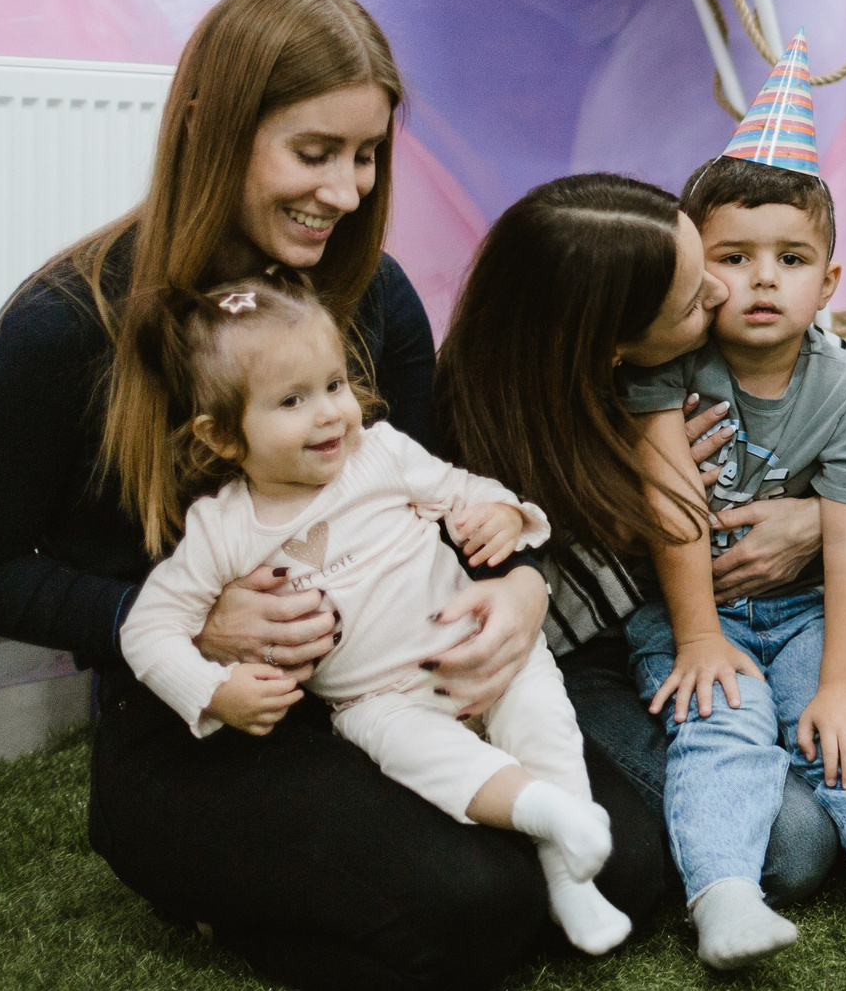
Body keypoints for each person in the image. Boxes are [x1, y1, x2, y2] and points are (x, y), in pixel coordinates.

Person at [0, 0, 661, 991]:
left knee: (632, 863)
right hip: (207, 725)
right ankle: (204, 893)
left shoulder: (374, 295)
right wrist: (187, 623)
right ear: (209, 128)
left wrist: (522, 586)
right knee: (476, 907)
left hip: (388, 678)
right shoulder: (58, 328)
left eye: (365, 156)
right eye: (315, 153)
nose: (347, 191)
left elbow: (439, 493)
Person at [429, 172, 846, 909]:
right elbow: (545, 577)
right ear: (616, 345)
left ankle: (834, 795)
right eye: (697, 287)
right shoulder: (491, 427)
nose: (726, 288)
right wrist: (632, 505)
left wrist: (816, 515)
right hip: (604, 650)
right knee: (795, 843)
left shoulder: (753, 335)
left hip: (769, 623)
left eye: (707, 265)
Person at [119, 279, 630, 954]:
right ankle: (551, 815)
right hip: (379, 700)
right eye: (292, 401)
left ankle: (569, 881)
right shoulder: (224, 529)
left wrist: (505, 514)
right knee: (436, 761)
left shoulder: (382, 454)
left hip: (478, 647)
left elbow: (465, 489)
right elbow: (145, 629)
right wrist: (214, 692)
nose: (330, 413)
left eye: (335, 385)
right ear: (222, 437)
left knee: (543, 720)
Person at [626, 37, 846, 967]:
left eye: (789, 258)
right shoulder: (670, 363)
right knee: (723, 723)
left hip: (804, 612)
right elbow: (671, 503)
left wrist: (839, 683)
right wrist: (699, 637)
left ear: (827, 282)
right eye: (733, 256)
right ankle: (724, 897)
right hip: (689, 608)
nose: (762, 278)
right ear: (694, 270)